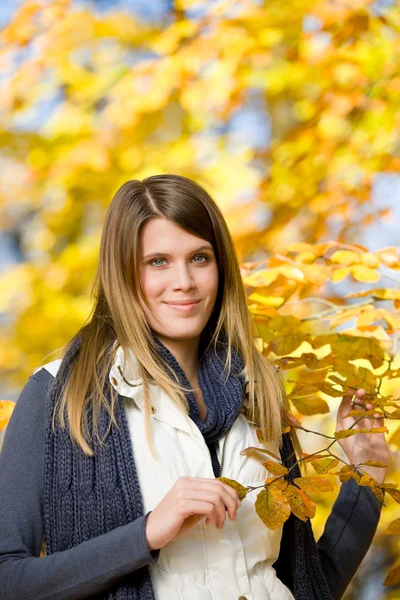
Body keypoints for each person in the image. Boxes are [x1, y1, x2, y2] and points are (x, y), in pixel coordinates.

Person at [0, 174, 388, 600]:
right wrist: (146, 533)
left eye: (200, 258)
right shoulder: (59, 395)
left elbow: (308, 585)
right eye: (158, 261)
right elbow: (7, 579)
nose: (183, 281)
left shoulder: (256, 394)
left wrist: (365, 478)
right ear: (123, 273)